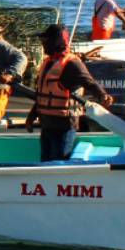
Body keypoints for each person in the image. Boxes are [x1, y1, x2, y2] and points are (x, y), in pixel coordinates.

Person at [25, 24, 114, 162]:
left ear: (56, 42)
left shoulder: (72, 64)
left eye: (46, 41)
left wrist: (103, 95)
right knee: (45, 163)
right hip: (47, 125)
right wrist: (31, 117)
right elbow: (41, 95)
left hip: (64, 126)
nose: (43, 45)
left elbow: (89, 82)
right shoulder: (48, 62)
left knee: (58, 162)